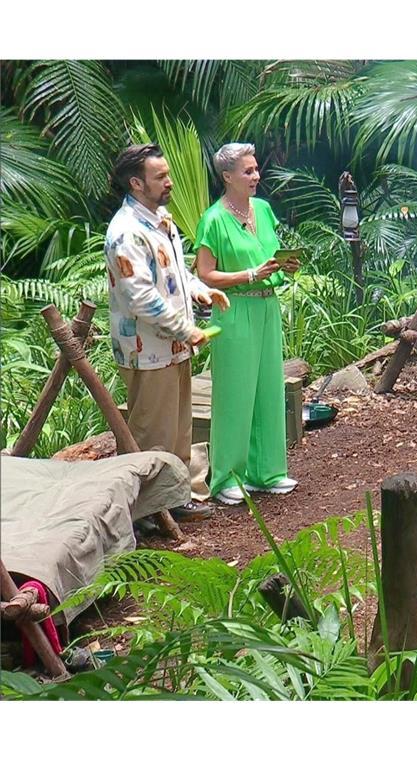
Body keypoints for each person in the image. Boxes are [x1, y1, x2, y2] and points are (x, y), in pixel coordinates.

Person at [105, 143, 230, 522]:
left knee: (178, 429)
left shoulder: (162, 221)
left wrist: (199, 289)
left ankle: (177, 500)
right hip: (147, 349)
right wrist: (185, 327)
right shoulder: (125, 232)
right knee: (152, 433)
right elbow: (139, 296)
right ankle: (146, 513)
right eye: (161, 177)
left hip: (175, 345)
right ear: (136, 183)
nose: (170, 183)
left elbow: (175, 273)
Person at [193, 143, 300, 506]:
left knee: (269, 388)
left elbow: (268, 254)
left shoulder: (264, 210)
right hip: (234, 308)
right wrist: (250, 274)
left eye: (256, 170)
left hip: (267, 307)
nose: (256, 176)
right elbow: (204, 274)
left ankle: (267, 471)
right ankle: (227, 475)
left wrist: (282, 266)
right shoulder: (213, 220)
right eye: (248, 171)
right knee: (235, 394)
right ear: (227, 176)